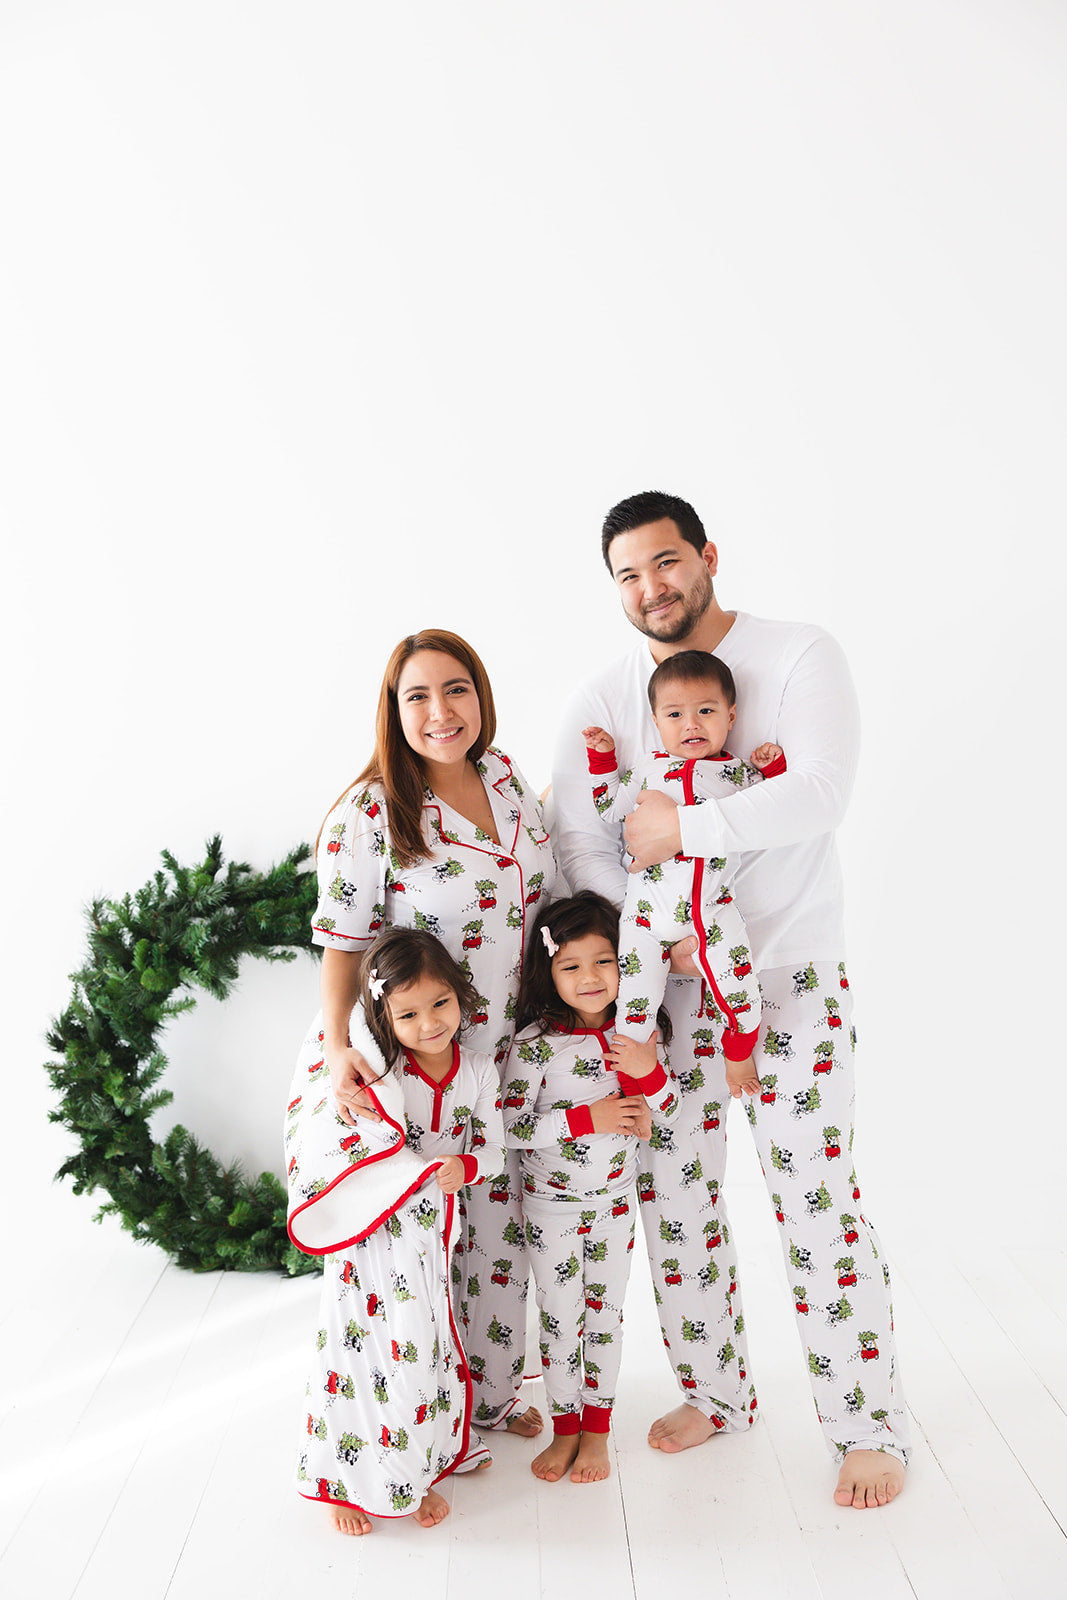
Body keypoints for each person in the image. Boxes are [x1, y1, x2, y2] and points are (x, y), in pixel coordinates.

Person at [551, 490, 910, 1509]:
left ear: (706, 555)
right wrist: (647, 925)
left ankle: (865, 1423)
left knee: (813, 1198)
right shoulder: (603, 693)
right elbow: (580, 835)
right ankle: (716, 1392)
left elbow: (819, 790)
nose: (650, 587)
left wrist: (683, 833)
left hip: (788, 980)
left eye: (665, 561)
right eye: (627, 574)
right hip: (663, 998)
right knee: (676, 1204)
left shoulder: (796, 655)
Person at [309, 629, 556, 1436]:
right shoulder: (371, 813)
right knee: (421, 1250)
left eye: (456, 689)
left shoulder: (506, 779)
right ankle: (414, 1425)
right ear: (394, 710)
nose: (440, 711)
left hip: (509, 1055)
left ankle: (492, 1396)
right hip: (419, 1066)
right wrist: (338, 1046)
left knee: (498, 1237)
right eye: (417, 695)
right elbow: (342, 944)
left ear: (480, 696)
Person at [286, 928, 504, 1534]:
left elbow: (493, 1149)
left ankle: (418, 1466)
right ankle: (344, 1481)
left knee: (422, 1346)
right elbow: (345, 1144)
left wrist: (466, 1167)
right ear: (383, 1017)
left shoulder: (478, 1070)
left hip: (431, 1236)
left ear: (460, 994)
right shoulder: (379, 1075)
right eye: (407, 1014)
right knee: (354, 1349)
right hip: (371, 1235)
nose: (429, 1023)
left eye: (440, 1003)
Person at [500, 892, 679, 1485]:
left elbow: (670, 1107)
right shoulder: (535, 1045)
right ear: (549, 972)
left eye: (604, 961)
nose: (590, 977)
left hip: (614, 1205)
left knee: (605, 1317)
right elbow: (510, 1128)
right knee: (560, 1317)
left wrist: (648, 1076)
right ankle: (565, 1428)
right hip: (551, 1209)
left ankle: (597, 1430)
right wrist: (588, 1118)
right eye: (571, 965)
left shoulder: (637, 1033)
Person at [583, 648, 785, 1097]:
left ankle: (737, 1055)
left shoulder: (736, 774)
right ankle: (634, 1086)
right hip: (645, 919)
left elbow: (772, 814)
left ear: (730, 716)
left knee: (741, 993)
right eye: (675, 714)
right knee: (633, 1010)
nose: (691, 724)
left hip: (713, 911)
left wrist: (772, 770)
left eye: (705, 711)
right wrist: (604, 761)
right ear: (657, 722)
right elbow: (609, 807)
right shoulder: (648, 769)